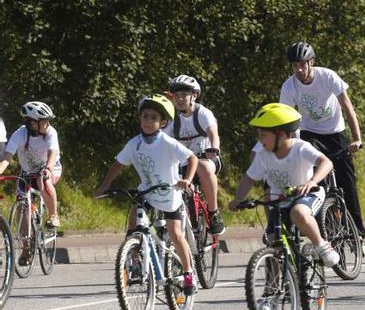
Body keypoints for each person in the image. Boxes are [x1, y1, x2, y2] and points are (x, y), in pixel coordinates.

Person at [95, 94, 198, 296]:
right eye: (145, 117)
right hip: (148, 192)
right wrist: (104, 185)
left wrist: (187, 179)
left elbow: (192, 158)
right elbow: (118, 165)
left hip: (170, 194)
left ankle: (188, 274)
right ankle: (133, 256)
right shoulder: (134, 143)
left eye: (153, 118)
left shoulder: (168, 143)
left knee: (176, 234)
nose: (148, 122)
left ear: (163, 122)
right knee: (134, 219)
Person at [228, 103, 340, 267]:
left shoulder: (300, 148)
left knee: (298, 213)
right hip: (281, 200)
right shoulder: (263, 155)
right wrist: (238, 199)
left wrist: (312, 182)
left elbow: (326, 162)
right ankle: (274, 286)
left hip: (307, 194)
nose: (259, 139)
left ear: (280, 134)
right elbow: (249, 179)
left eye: (263, 134)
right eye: (258, 134)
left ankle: (321, 245)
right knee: (273, 241)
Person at [281, 41, 365, 239]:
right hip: (309, 133)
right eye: (295, 65)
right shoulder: (289, 86)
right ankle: (313, 222)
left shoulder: (327, 76)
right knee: (307, 177)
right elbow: (286, 119)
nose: (299, 69)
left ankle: (358, 233)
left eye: (303, 64)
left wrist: (357, 138)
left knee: (347, 182)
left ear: (311, 63)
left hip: (335, 134)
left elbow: (347, 107)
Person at [163, 75, 225, 235]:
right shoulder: (172, 120)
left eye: (184, 95)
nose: (180, 99)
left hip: (207, 158)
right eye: (177, 96)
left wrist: (214, 149)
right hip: (184, 164)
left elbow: (213, 134)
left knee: (203, 166)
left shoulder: (203, 113)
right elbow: (163, 141)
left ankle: (213, 212)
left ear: (194, 95)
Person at [0, 101, 63, 251]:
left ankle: (54, 216)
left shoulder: (51, 132)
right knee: (23, 208)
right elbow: (6, 158)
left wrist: (48, 168)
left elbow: (52, 152)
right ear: (32, 123)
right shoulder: (19, 134)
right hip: (27, 173)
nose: (47, 124)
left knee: (43, 179)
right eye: (44, 121)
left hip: (50, 168)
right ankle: (26, 249)